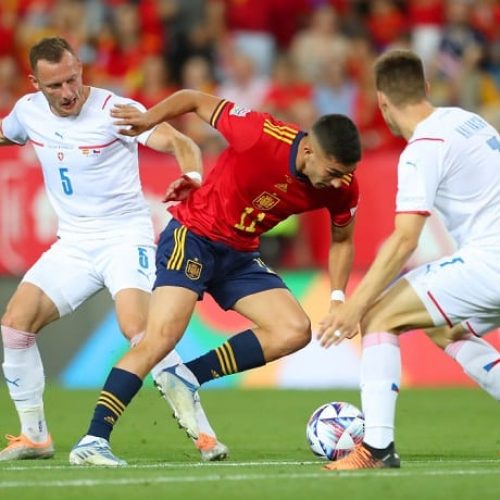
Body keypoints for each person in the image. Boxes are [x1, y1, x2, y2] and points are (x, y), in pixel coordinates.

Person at [69, 88, 362, 465]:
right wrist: (149, 118)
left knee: (293, 330)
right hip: (193, 236)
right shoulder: (259, 134)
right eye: (334, 172)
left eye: (346, 175)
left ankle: (186, 377)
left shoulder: (342, 186)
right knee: (159, 338)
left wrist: (338, 298)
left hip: (238, 255)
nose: (339, 183)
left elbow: (343, 240)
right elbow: (193, 98)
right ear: (308, 151)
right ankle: (93, 438)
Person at [0, 37, 227, 465]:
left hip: (125, 237)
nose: (67, 93)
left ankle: (204, 435)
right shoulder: (27, 112)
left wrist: (193, 176)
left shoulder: (115, 112)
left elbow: (181, 143)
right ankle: (34, 437)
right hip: (74, 243)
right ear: (34, 83)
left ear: (80, 68)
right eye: (55, 87)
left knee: (140, 330)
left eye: (72, 79)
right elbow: (8, 135)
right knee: (14, 324)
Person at [317, 49, 500, 470]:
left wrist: (356, 307)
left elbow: (404, 241)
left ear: (381, 102)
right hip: (488, 261)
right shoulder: (468, 121)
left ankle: (377, 449)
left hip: (489, 262)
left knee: (380, 316)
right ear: (427, 90)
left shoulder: (423, 148)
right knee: (444, 329)